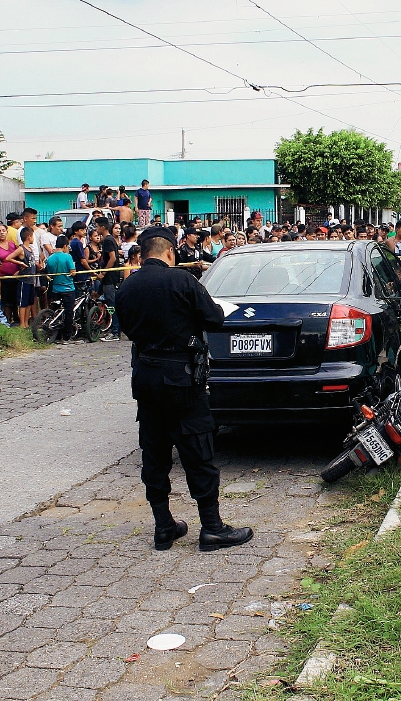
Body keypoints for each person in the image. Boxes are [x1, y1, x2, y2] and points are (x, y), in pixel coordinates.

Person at [116, 226, 253, 552]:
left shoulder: (127, 286)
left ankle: (163, 526)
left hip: (145, 377)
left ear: (142, 254)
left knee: (154, 451)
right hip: (182, 377)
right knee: (197, 449)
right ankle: (212, 527)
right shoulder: (182, 280)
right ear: (169, 252)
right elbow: (214, 318)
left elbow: (127, 328)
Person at [93, 217, 123, 342]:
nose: (96, 229)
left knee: (112, 305)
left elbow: (113, 258)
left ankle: (115, 331)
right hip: (108, 279)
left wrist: (104, 272)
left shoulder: (108, 241)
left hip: (110, 278)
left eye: (97, 226)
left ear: (103, 227)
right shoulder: (108, 240)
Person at [45, 234, 77, 340]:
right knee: (69, 312)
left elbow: (50, 274)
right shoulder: (67, 257)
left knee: (56, 311)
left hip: (55, 289)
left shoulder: (50, 258)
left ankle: (56, 335)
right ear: (65, 246)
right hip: (68, 288)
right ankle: (67, 336)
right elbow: (72, 272)